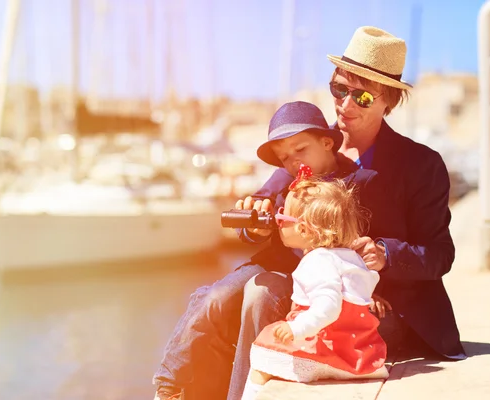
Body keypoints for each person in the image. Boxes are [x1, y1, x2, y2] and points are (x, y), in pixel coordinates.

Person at [226, 26, 466, 400]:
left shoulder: (422, 165)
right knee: (254, 296)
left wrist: (387, 254)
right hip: (315, 292)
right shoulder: (309, 151)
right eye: (339, 89)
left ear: (389, 102)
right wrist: (253, 226)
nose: (345, 105)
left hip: (385, 307)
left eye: (364, 96)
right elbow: (261, 211)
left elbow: (439, 254)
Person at [152, 101, 379, 400]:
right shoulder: (286, 178)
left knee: (259, 297)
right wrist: (252, 225)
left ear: (327, 142)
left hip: (318, 275)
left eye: (300, 150)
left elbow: (373, 247)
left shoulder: (359, 183)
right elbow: (253, 211)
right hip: (276, 261)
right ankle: (170, 385)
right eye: (284, 157)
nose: (293, 162)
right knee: (214, 297)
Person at [240, 177, 389, 400]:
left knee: (262, 357)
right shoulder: (350, 258)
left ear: (303, 229)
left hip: (330, 350)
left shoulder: (317, 260)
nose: (277, 222)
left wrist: (298, 329)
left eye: (281, 218)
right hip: (358, 349)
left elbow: (329, 307)